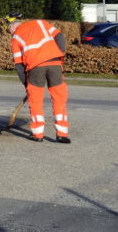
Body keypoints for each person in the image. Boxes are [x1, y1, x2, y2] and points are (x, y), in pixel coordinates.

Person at [4, 12, 70, 143]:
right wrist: (59, 54)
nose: (10, 33)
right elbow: (60, 37)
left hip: (35, 67)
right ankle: (62, 134)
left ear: (12, 26)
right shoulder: (40, 23)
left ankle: (38, 134)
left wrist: (26, 84)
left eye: (8, 30)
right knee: (59, 98)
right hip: (55, 63)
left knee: (35, 100)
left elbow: (19, 65)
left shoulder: (15, 38)